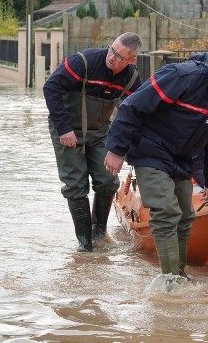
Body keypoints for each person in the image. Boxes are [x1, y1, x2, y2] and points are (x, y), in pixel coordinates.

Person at [103, 50, 208, 279]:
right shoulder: (183, 76)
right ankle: (170, 281)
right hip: (149, 150)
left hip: (183, 158)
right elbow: (133, 106)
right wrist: (116, 149)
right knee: (166, 211)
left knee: (185, 216)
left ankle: (180, 276)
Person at [44, 32, 143, 252]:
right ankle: (85, 244)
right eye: (112, 50)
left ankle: (99, 235)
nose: (112, 57)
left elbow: (135, 111)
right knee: (76, 185)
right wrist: (64, 129)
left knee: (108, 180)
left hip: (99, 131)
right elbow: (51, 88)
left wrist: (125, 145)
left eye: (119, 56)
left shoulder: (132, 78)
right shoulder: (83, 62)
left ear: (132, 60)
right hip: (68, 129)